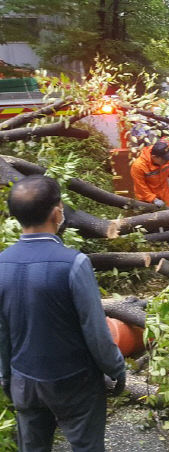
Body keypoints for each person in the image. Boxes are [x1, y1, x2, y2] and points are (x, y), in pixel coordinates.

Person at [0, 176, 126, 451]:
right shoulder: (73, 263)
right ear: (57, 212)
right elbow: (95, 331)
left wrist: (6, 377)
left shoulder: (1, 264)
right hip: (74, 381)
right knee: (87, 446)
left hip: (24, 379)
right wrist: (116, 368)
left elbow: (2, 332)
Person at [131, 140, 169, 208]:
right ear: (154, 157)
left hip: (164, 191)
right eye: (164, 159)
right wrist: (153, 199)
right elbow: (140, 187)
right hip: (146, 195)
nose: (167, 161)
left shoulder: (167, 158)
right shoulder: (139, 166)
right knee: (150, 216)